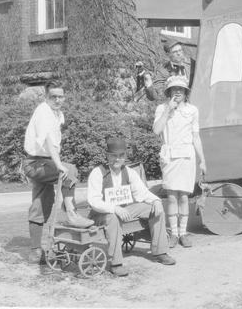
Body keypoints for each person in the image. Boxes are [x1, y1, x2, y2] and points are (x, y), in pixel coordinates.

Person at [23, 80, 94, 264]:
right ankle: (71, 213)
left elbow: (52, 142)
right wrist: (59, 164)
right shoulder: (43, 112)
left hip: (44, 162)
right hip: (35, 163)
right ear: (46, 97)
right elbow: (47, 141)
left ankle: (35, 251)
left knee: (39, 204)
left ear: (64, 97)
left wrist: (55, 162)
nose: (57, 100)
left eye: (60, 96)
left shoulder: (57, 114)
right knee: (69, 169)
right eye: (53, 96)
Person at [87, 134, 176, 277]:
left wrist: (156, 201)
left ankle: (160, 251)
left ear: (125, 156)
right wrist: (114, 208)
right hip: (102, 214)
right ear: (107, 156)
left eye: (121, 155)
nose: (117, 159)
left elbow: (142, 193)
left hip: (124, 210)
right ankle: (116, 263)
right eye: (113, 156)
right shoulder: (98, 173)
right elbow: (94, 201)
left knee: (155, 208)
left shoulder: (129, 172)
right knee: (113, 218)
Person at [153, 76, 207, 248]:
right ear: (169, 92)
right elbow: (156, 130)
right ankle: (173, 234)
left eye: (181, 89)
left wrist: (202, 160)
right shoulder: (161, 108)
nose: (178, 92)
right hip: (169, 156)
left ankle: (183, 233)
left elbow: (196, 137)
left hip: (186, 156)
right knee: (171, 196)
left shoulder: (192, 110)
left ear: (185, 92)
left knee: (183, 196)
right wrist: (168, 110)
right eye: (174, 89)